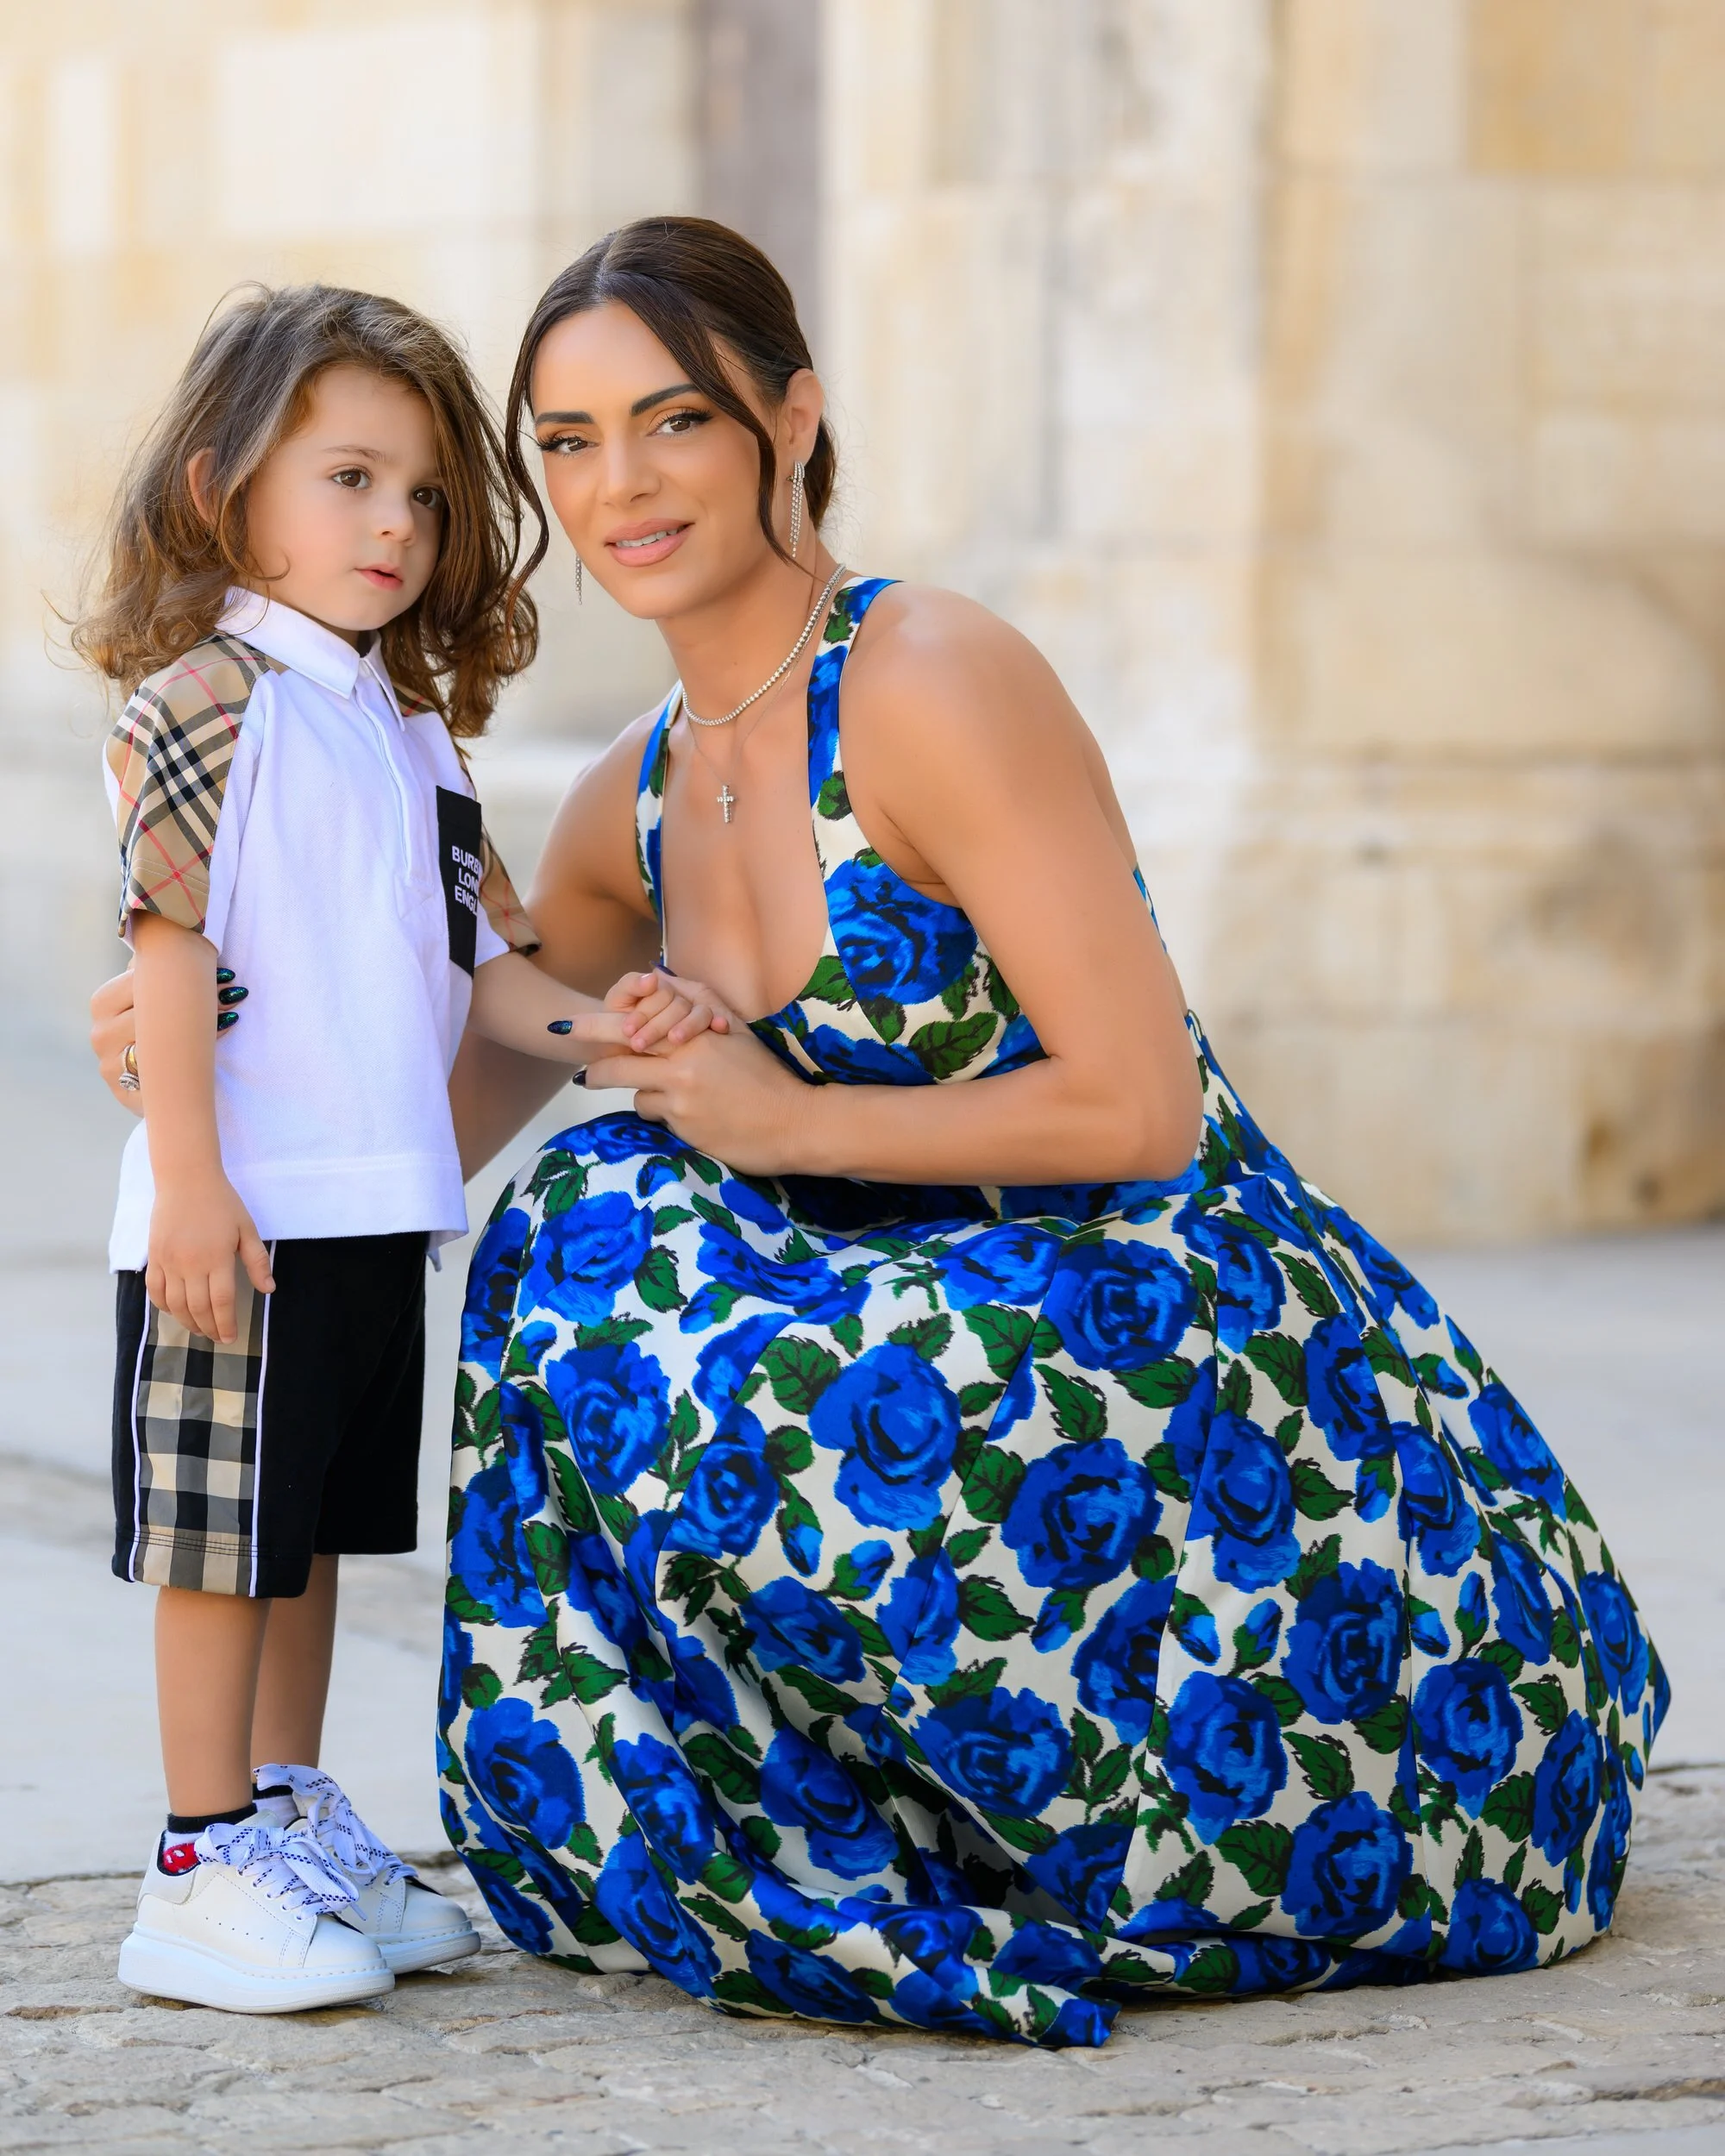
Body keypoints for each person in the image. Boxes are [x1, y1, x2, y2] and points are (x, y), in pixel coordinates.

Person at [93, 221, 1669, 2048]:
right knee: (586, 1218)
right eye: (569, 443)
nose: (621, 485)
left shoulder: (929, 674)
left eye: (676, 421)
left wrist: (788, 1110)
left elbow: (1143, 1106)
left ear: (791, 420)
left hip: (1149, 1310)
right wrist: (215, 1048)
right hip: (895, 1354)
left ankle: (1106, 1793)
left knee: (774, 1312)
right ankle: (740, 1815)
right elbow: (436, 1088)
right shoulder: (623, 801)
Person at [76, 284, 718, 2015]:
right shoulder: (206, 699)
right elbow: (165, 946)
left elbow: (481, 971)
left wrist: (620, 1033)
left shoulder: (411, 732)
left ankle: (282, 1810)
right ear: (223, 489)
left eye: (424, 494)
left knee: (308, 1535)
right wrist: (192, 1184)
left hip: (376, 1207)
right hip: (242, 1212)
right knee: (221, 1543)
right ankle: (197, 1860)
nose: (396, 525)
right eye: (350, 479)